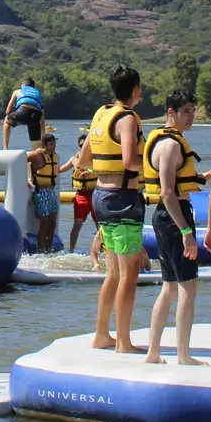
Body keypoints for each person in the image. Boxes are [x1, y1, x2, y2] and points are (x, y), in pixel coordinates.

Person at [143, 88, 211, 366]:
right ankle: (183, 355)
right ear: (170, 112)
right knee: (188, 287)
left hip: (164, 218)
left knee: (170, 287)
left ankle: (153, 352)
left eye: (193, 111)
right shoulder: (171, 145)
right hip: (174, 218)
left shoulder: (165, 142)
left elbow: (177, 185)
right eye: (186, 111)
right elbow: (167, 193)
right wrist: (186, 233)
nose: (191, 117)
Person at [83, 65, 147, 354]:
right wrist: (160, 168)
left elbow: (84, 159)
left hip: (101, 196)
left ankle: (101, 335)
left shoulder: (101, 113)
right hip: (122, 199)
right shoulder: (128, 119)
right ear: (135, 91)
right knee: (128, 274)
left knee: (113, 273)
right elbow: (130, 161)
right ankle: (123, 342)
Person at [26, 132, 62, 252]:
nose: (54, 146)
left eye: (54, 143)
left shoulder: (54, 156)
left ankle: (49, 248)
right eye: (51, 144)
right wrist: (26, 180)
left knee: (52, 221)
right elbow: (20, 161)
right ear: (44, 145)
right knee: (44, 222)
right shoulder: (38, 154)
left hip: (51, 192)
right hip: (41, 191)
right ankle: (41, 249)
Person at [68, 133, 98, 252]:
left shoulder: (96, 159)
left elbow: (105, 172)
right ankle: (71, 250)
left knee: (99, 225)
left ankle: (102, 251)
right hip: (81, 195)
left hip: (95, 194)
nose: (83, 148)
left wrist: (91, 173)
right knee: (77, 224)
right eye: (81, 145)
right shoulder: (74, 159)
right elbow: (58, 170)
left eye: (85, 145)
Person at [3, 77, 47, 151]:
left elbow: (7, 111)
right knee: (36, 146)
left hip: (23, 111)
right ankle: (36, 153)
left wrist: (15, 112)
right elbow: (42, 119)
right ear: (33, 87)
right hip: (36, 116)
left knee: (6, 121)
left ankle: (5, 148)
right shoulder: (38, 94)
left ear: (23, 86)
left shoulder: (17, 91)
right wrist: (43, 137)